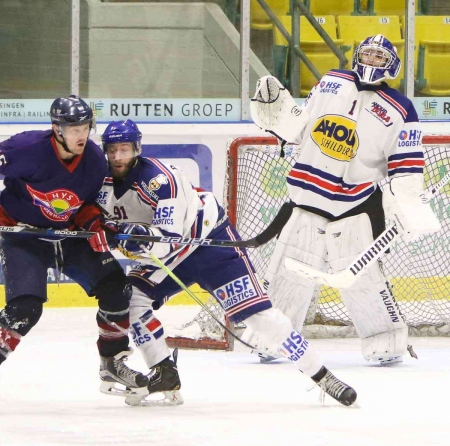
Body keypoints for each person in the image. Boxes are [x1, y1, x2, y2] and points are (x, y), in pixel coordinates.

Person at [88, 118, 358, 407]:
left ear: (137, 148)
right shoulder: (99, 181)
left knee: (260, 318)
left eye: (125, 149)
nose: (118, 156)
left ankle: (321, 374)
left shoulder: (160, 180)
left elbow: (169, 240)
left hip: (207, 244)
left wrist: (138, 238)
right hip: (169, 256)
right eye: (113, 149)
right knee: (131, 302)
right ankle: (164, 371)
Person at [250, 35, 441, 365]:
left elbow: (406, 163)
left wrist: (407, 201)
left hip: (356, 204)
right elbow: (301, 126)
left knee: (363, 277)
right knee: (289, 270)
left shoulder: (401, 108)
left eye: (380, 56)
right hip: (308, 196)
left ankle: (386, 340)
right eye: (367, 53)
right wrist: (278, 116)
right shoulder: (331, 81)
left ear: (392, 65)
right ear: (356, 56)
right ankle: (273, 337)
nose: (372, 60)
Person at [0, 96, 148, 394]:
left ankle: (112, 365)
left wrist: (95, 224)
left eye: (85, 127)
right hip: (23, 236)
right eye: (74, 128)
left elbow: (85, 204)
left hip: (68, 236)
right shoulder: (25, 148)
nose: (81, 135)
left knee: (117, 289)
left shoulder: (93, 160)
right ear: (56, 129)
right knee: (25, 310)